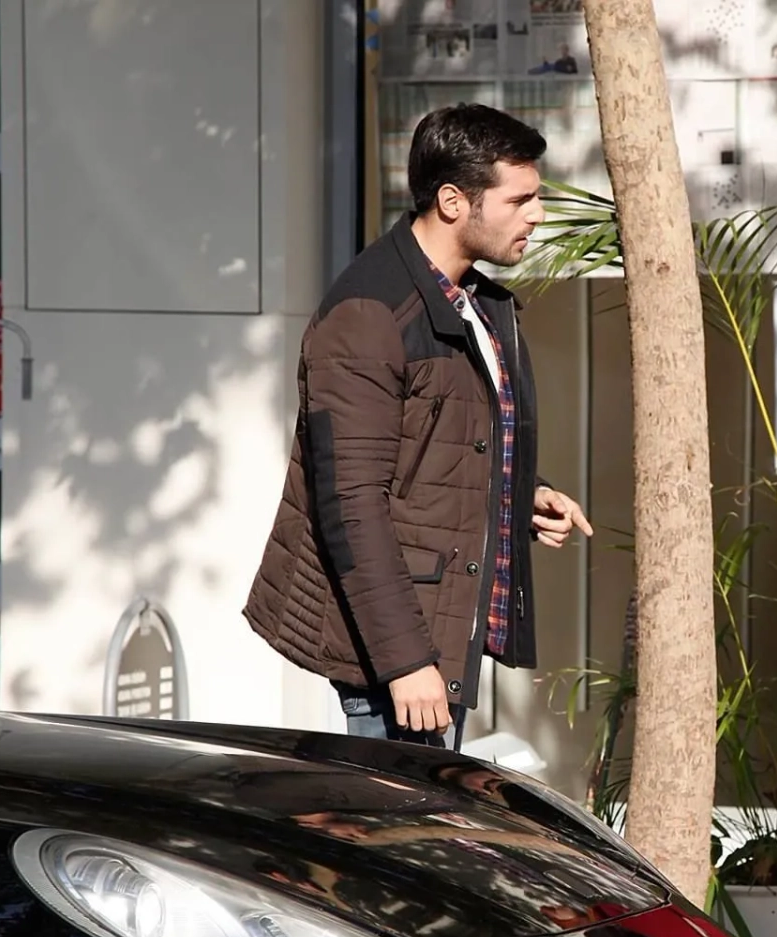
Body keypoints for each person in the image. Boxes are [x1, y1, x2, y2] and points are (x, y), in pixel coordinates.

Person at [246, 104, 592, 747]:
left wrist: (523, 492)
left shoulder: (478, 303)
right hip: (395, 652)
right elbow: (350, 503)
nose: (537, 215)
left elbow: (450, 440)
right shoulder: (370, 314)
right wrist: (405, 663)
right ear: (454, 201)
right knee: (392, 838)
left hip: (440, 627)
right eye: (520, 199)